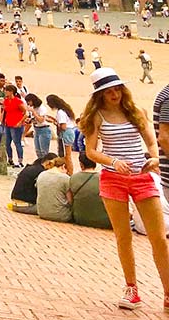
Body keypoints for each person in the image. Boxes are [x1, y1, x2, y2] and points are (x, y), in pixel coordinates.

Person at [80, 66, 169, 310]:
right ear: (100, 93)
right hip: (113, 178)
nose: (115, 94)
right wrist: (113, 161)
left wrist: (154, 159)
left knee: (158, 237)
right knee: (123, 236)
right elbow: (90, 151)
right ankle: (131, 289)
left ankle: (168, 290)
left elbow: (152, 141)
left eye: (118, 89)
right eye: (109, 91)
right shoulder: (96, 116)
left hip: (141, 175)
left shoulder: (135, 111)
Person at [70, 155, 112, 229]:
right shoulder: (104, 179)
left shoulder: (73, 178)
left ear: (81, 164)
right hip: (105, 221)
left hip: (80, 219)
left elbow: (70, 200)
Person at [35, 156, 73, 223]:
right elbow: (70, 201)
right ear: (63, 166)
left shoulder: (41, 174)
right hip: (61, 214)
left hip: (42, 212)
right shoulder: (65, 178)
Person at [2, 84, 27, 167]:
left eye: (7, 91)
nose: (5, 92)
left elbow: (25, 112)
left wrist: (20, 122)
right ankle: (10, 159)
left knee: (17, 142)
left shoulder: (18, 101)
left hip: (16, 124)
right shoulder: (6, 101)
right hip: (8, 123)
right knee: (7, 143)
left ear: (11, 92)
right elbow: (5, 111)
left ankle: (20, 160)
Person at [26, 93, 54, 159]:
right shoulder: (34, 108)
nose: (28, 103)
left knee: (44, 151)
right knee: (38, 151)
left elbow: (41, 120)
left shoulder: (42, 108)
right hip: (36, 129)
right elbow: (36, 119)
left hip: (44, 130)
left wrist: (33, 112)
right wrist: (30, 120)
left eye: (29, 101)